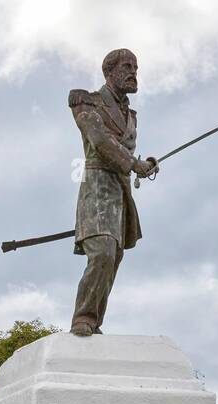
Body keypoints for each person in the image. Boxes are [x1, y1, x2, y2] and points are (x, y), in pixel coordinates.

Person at [67, 48, 157, 336]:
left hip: (120, 194)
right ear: (109, 71)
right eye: (127, 66)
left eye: (136, 67)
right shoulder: (86, 101)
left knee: (114, 257)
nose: (133, 72)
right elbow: (100, 141)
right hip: (97, 191)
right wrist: (133, 163)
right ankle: (83, 318)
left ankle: (94, 323)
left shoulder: (132, 116)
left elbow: (124, 150)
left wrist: (146, 165)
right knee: (103, 252)